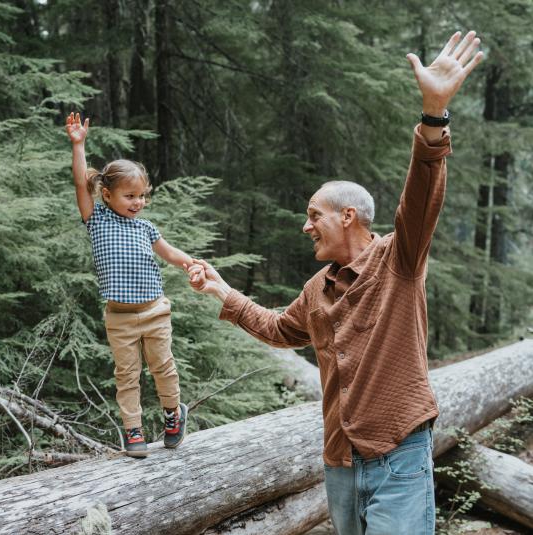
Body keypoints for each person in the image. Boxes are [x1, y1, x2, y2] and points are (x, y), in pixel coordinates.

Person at [186, 31, 483, 534]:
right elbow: (280, 329)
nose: (305, 226)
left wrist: (434, 115)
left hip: (398, 458)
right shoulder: (316, 290)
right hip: (340, 463)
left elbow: (421, 197)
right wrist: (223, 292)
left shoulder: (399, 259)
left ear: (348, 217)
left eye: (313, 216)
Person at [66, 112, 189, 457]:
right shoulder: (97, 221)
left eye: (143, 196)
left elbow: (169, 253)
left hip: (154, 310)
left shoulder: (145, 228)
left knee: (163, 366)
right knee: (127, 374)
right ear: (107, 195)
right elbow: (80, 183)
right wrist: (79, 145)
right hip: (119, 317)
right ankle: (133, 431)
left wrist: (190, 262)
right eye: (130, 196)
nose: (138, 203)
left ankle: (172, 416)